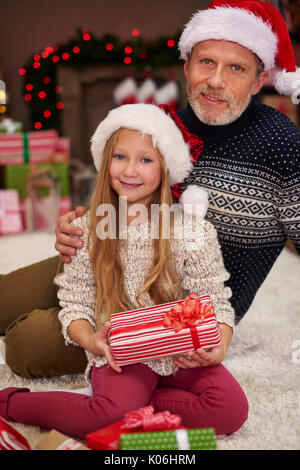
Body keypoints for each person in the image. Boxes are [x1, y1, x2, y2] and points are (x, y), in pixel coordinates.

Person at [2, 0, 300, 378]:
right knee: (5, 297)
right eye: (206, 62)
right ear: (187, 65)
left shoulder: (281, 142)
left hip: (171, 308)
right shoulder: (162, 126)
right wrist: (77, 226)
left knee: (25, 343)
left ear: (259, 80)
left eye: (236, 68)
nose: (216, 80)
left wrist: (217, 328)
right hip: (108, 260)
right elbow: (115, 191)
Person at [0, 104, 248, 438]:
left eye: (146, 159)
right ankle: (11, 403)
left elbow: (216, 301)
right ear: (105, 162)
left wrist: (219, 344)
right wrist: (93, 341)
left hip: (177, 351)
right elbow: (76, 303)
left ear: (164, 168)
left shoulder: (192, 231)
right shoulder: (88, 231)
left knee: (230, 410)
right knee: (107, 416)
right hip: (121, 353)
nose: (130, 170)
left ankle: (127, 406)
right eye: (120, 156)